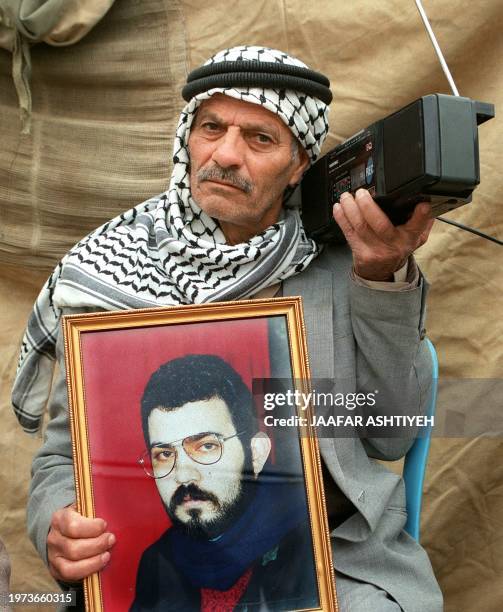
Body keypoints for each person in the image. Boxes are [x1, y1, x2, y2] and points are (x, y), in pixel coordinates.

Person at [12, 45, 443, 611]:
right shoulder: (107, 273)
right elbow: (63, 458)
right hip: (160, 578)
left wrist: (381, 279)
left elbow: (390, 433)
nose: (226, 154)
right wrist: (56, 523)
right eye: (211, 128)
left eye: (260, 139)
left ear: (299, 166)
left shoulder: (347, 265)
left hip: (335, 562)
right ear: (188, 140)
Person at [131, 353, 318, 611]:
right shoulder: (157, 562)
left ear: (257, 453)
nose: (183, 475)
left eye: (206, 446)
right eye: (164, 454)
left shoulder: (311, 540)